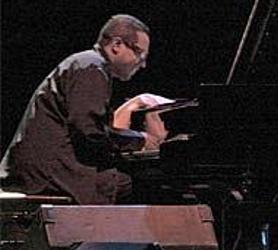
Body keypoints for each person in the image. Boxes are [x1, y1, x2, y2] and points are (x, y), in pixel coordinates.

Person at [1, 14, 168, 205]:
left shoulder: (87, 65)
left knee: (125, 181)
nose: (143, 63)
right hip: (49, 173)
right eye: (139, 54)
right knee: (141, 185)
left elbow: (91, 130)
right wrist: (141, 141)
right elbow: (89, 132)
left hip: (43, 167)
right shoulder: (91, 67)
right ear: (116, 45)